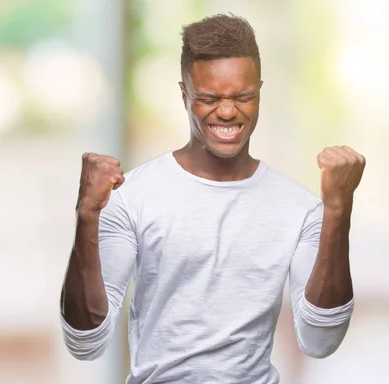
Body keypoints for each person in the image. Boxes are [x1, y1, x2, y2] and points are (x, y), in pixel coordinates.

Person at [59, 13, 366, 384]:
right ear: (184, 93)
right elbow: (85, 342)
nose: (226, 111)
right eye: (209, 98)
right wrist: (86, 214)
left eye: (243, 96)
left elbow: (320, 341)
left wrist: (338, 210)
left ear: (259, 91)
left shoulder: (300, 209)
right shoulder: (132, 197)